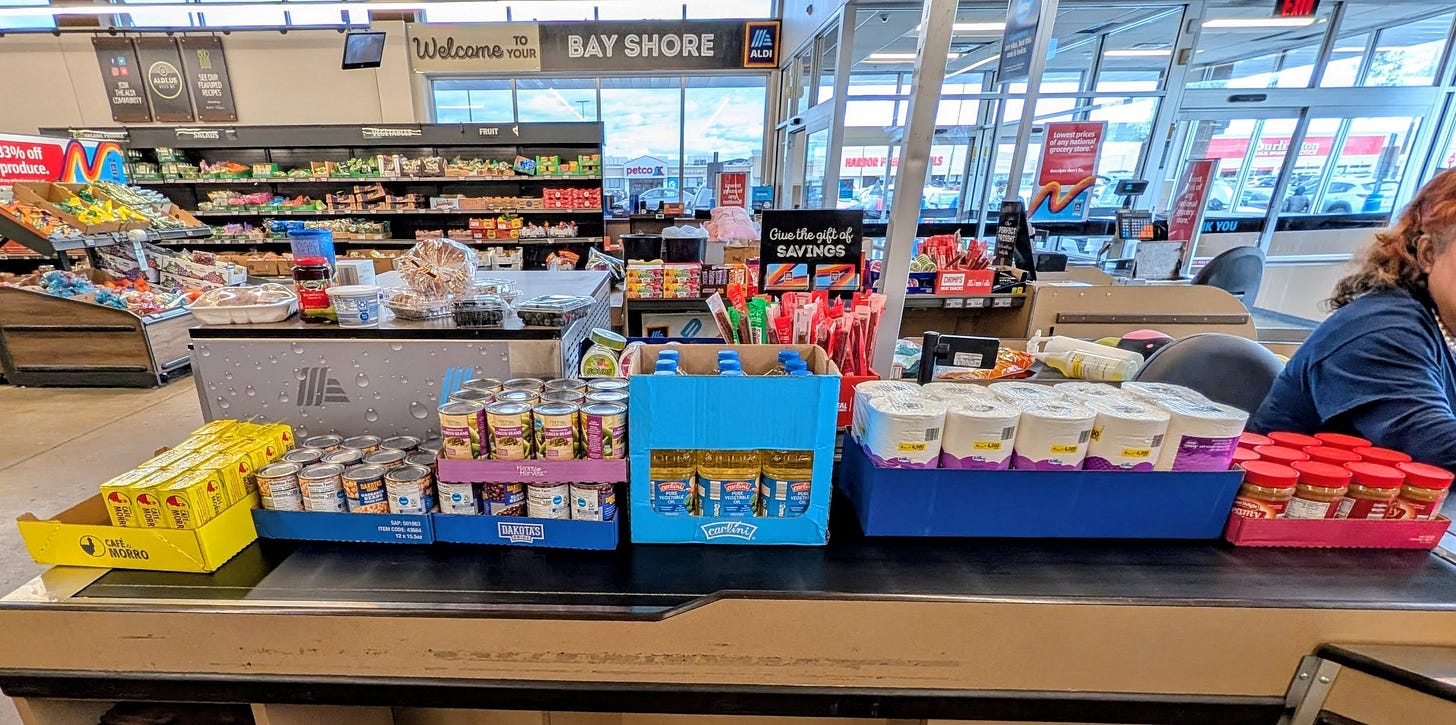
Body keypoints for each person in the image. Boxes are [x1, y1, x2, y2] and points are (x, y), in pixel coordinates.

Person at [1250, 169, 1456, 470]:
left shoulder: (1442, 324)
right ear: (1428, 253)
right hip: (1298, 496)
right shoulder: (1384, 330)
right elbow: (1436, 448)